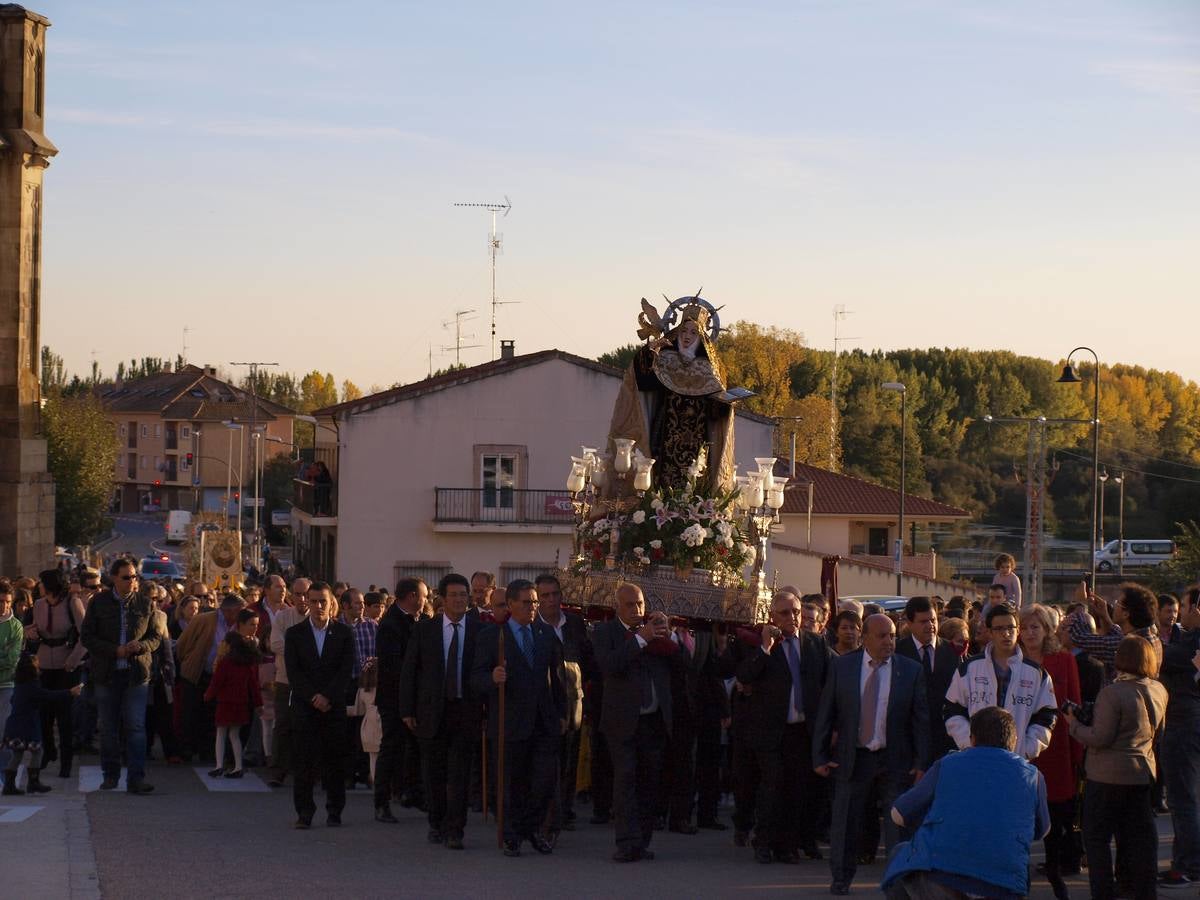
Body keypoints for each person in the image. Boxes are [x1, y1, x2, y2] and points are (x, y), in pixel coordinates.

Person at [813, 613, 930, 895]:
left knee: (896, 825)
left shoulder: (910, 670)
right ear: (864, 638)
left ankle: (898, 882)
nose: (888, 641)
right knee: (845, 821)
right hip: (854, 757)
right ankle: (841, 877)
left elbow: (921, 721)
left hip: (894, 760)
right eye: (881, 636)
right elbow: (826, 713)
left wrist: (921, 763)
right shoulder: (843, 667)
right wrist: (818, 756)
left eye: (892, 635)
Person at [882, 706, 1050, 900]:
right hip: (1006, 886)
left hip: (944, 878)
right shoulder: (1034, 777)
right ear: (1014, 741)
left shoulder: (947, 764)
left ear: (972, 739)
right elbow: (1041, 830)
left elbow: (898, 814)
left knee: (899, 853)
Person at [730, 591, 834, 864]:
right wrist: (766, 647)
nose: (793, 618)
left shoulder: (815, 644)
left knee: (796, 788)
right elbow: (744, 674)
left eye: (796, 612)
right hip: (769, 731)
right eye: (785, 613)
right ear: (773, 616)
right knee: (772, 786)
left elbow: (829, 681)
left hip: (802, 730)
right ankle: (763, 842)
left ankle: (787, 846)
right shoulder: (761, 643)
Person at [1064, 635, 1167, 900]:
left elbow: (1100, 737)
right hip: (1141, 774)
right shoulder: (1159, 690)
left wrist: (1074, 725)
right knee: (1140, 842)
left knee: (1097, 841)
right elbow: (1159, 734)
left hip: (1106, 776)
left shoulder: (1112, 693)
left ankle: (1104, 893)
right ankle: (1144, 892)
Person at [470, 579, 565, 856]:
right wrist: (492, 677)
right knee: (511, 782)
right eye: (527, 602)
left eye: (535, 601)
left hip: (543, 720)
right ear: (510, 604)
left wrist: (561, 713)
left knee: (544, 779)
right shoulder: (492, 637)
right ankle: (512, 834)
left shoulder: (545, 635)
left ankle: (532, 827)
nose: (533, 607)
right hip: (510, 722)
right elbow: (476, 677)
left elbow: (557, 679)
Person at [603, 298, 736, 494]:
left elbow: (715, 414)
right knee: (660, 485)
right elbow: (643, 381)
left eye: (693, 332)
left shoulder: (709, 369)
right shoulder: (665, 360)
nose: (687, 337)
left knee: (694, 483)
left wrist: (725, 405)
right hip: (664, 439)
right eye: (683, 331)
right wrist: (650, 352)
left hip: (698, 442)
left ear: (701, 337)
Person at [591, 582, 680, 862]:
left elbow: (682, 666)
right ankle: (627, 842)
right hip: (622, 722)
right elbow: (610, 665)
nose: (637, 610)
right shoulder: (605, 632)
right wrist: (640, 640)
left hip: (653, 720)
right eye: (630, 605)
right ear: (617, 606)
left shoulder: (656, 632)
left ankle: (642, 840)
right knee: (626, 778)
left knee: (649, 782)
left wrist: (670, 638)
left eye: (640, 604)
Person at [399, 573, 481, 849]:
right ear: (443, 600)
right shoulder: (426, 629)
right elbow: (410, 671)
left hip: (465, 710)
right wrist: (407, 709)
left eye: (463, 595)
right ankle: (437, 822)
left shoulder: (481, 630)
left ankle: (456, 829)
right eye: (454, 595)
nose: (459, 600)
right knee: (433, 773)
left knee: (460, 775)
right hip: (432, 712)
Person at [79, 558, 161, 794]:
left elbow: (156, 637)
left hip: (136, 674)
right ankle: (110, 775)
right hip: (107, 674)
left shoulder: (145, 603)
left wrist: (142, 646)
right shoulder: (99, 603)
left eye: (135, 576)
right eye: (126, 577)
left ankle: (136, 778)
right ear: (114, 578)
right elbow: (87, 637)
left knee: (135, 727)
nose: (132, 581)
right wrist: (114, 650)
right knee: (108, 727)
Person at [1019, 604, 1082, 899]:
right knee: (1019, 815)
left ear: (1047, 630)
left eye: (1036, 627)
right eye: (1026, 627)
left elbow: (1074, 706)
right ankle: (1018, 873)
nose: (1030, 633)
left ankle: (1055, 869)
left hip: (1056, 747)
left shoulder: (1064, 660)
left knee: (1056, 817)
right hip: (1020, 745)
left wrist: (1076, 753)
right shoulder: (1011, 660)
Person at [944, 604, 1058, 760]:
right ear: (990, 632)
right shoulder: (968, 669)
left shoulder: (1037, 674)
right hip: (976, 757)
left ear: (1018, 630)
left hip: (1016, 760)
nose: (1006, 633)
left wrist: (1027, 749)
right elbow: (953, 710)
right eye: (999, 629)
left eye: (1011, 628)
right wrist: (969, 743)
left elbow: (1047, 716)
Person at [285, 581, 354, 828]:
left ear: (331, 603)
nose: (317, 606)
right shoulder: (294, 635)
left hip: (333, 707)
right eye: (312, 601)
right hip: (305, 707)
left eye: (322, 601)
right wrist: (314, 697)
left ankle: (335, 810)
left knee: (334, 762)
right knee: (304, 763)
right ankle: (304, 812)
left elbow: (346, 671)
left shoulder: (344, 634)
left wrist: (328, 696)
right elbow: (294, 673)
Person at [535, 572, 592, 832]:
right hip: (544, 703)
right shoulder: (532, 625)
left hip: (573, 701)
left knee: (569, 757)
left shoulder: (576, 623)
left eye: (555, 594)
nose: (551, 600)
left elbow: (588, 660)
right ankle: (546, 808)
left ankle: (565, 808)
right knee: (546, 758)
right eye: (545, 596)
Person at [1157, 585, 1200, 889]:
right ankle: (1184, 863)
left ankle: (1187, 866)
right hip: (1187, 724)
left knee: (1184, 799)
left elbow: (1162, 657)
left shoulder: (1191, 645)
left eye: (1185, 606)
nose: (1181, 612)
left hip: (1185, 727)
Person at [373, 577, 425, 823]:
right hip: (393, 698)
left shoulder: (420, 621)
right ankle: (381, 802)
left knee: (416, 748)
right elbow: (394, 667)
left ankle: (411, 792)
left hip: (416, 697)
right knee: (391, 747)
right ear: (412, 596)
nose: (425, 601)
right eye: (423, 596)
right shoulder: (391, 624)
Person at [175, 592, 246, 763]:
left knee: (214, 716)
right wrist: (190, 661)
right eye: (240, 611)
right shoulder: (204, 620)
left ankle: (208, 750)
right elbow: (183, 645)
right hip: (198, 673)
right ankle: (187, 749)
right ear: (230, 611)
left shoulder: (239, 625)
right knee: (191, 712)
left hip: (222, 679)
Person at [28, 569, 86, 779]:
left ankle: (66, 761)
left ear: (51, 585)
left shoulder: (72, 603)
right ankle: (49, 751)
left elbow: (85, 636)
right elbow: (36, 629)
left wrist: (73, 661)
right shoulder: (39, 605)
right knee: (44, 715)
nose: (39, 587)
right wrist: (31, 632)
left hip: (66, 665)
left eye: (42, 583)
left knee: (64, 717)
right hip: (44, 664)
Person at [1, 654, 82, 794]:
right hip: (28, 727)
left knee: (17, 755)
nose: (40, 667)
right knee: (37, 752)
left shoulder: (20, 685)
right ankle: (33, 782)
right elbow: (48, 695)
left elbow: (16, 700)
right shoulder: (32, 686)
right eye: (37, 665)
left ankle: (9, 785)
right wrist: (69, 692)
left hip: (14, 726)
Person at [896, 596, 958, 762]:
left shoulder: (952, 652)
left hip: (944, 739)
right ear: (909, 623)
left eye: (933, 620)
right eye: (923, 621)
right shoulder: (898, 653)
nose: (930, 625)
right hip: (908, 740)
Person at [203, 607, 263, 779]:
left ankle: (220, 764)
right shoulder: (247, 662)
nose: (255, 628)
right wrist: (258, 703)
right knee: (234, 734)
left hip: (226, 701)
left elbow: (216, 681)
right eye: (252, 624)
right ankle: (237, 765)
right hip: (242, 701)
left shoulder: (226, 663)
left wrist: (208, 695)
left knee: (222, 733)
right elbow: (252, 683)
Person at [266, 577, 309, 787]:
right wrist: (303, 653)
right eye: (298, 594)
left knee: (308, 726)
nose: (302, 599)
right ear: (292, 596)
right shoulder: (283, 617)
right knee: (283, 725)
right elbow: (276, 644)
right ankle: (277, 771)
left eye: (306, 594)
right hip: (286, 679)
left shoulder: (318, 618)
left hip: (311, 682)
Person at [0, 581, 25, 767]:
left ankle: (4, 773)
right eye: (1, 601)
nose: (5, 606)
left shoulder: (15, 626)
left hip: (6, 684)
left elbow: (12, 659)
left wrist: (6, 656)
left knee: (4, 730)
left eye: (8, 602)